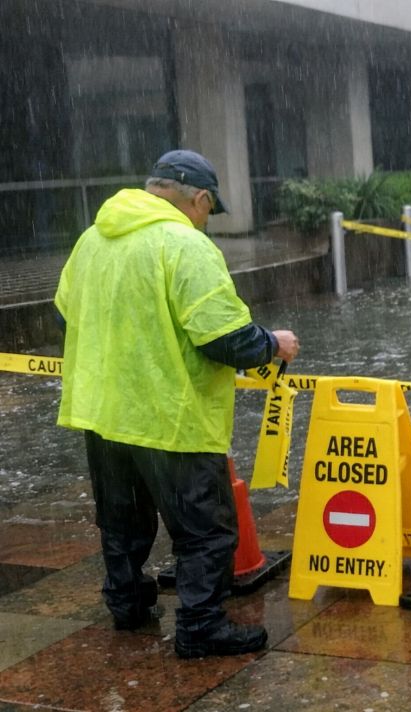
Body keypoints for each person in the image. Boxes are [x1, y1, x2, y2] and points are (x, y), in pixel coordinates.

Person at [54, 149, 300, 659]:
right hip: (170, 416)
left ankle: (126, 605)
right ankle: (200, 627)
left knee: (123, 521)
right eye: (209, 211)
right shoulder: (184, 245)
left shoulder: (92, 240)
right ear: (200, 198)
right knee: (206, 530)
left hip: (102, 413)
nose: (207, 220)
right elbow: (224, 338)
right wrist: (272, 344)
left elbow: (66, 311)